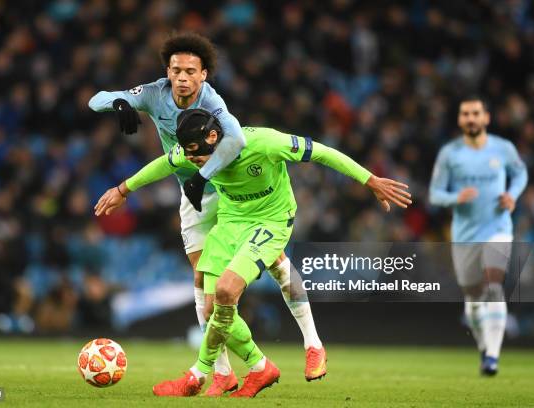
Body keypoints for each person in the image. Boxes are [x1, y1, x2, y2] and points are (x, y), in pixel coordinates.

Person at [94, 109, 412, 397]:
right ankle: (259, 369)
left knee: (226, 289)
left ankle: (200, 373)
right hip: (231, 223)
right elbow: (164, 163)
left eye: (196, 155)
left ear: (214, 137)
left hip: (270, 221)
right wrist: (124, 189)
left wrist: (368, 180)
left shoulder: (262, 142)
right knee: (208, 309)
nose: (193, 162)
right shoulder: (192, 150)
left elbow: (323, 153)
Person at [89, 32, 326, 393]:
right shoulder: (154, 94)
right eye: (176, 70)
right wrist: (121, 103)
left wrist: (203, 176)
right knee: (203, 283)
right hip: (193, 193)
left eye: (189, 71)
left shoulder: (213, 102)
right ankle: (224, 370)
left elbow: (236, 142)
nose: (182, 77)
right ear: (167, 72)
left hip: (232, 194)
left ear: (203, 76)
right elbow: (96, 100)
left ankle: (312, 344)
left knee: (276, 261)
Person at [429, 96, 528, 376]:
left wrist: (512, 195)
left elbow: (520, 175)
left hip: (498, 229)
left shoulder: (503, 149)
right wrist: (455, 197)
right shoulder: (450, 154)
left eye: (475, 113)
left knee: (493, 285)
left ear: (486, 118)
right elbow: (435, 194)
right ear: (460, 120)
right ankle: (484, 347)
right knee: (473, 300)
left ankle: (493, 357)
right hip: (464, 235)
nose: (471, 118)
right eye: (465, 114)